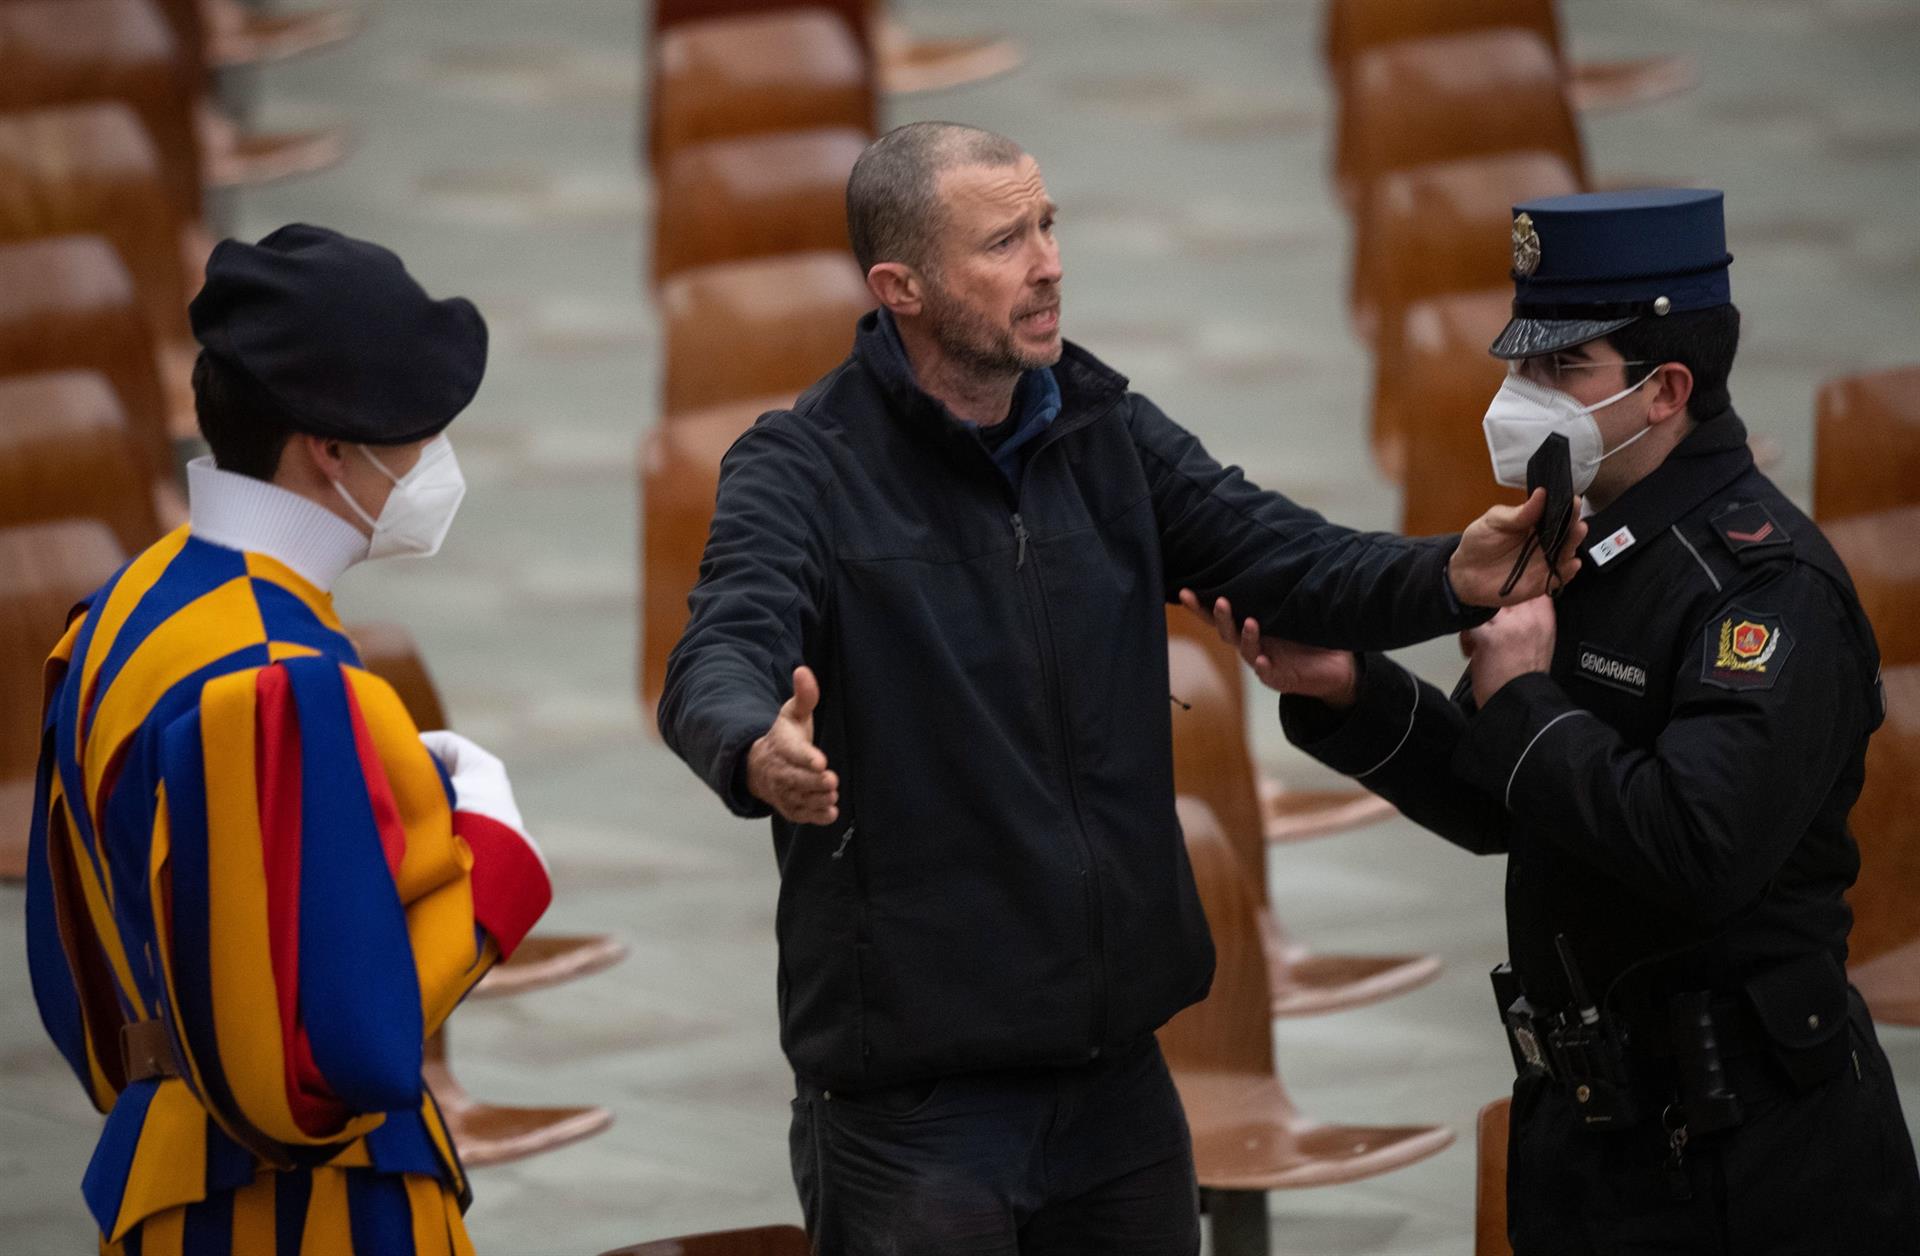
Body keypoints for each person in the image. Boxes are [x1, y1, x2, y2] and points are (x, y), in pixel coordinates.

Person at [658, 121, 1580, 1254]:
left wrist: (1449, 573)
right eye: (1004, 240)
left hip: (1118, 1092)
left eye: (1048, 225)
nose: (1048, 261)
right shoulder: (803, 466)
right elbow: (719, 647)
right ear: (900, 286)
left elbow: (1287, 556)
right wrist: (756, 745)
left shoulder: (1100, 427)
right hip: (918, 1121)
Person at [1194, 188, 1920, 1254]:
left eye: (1559, 370)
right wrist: (1349, 688)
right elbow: (1509, 800)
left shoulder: (1763, 590)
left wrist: (1528, 697)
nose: (1519, 395)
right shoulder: (1584, 536)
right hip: (1592, 1124)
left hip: (1749, 1150)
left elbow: (1698, 845)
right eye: (1521, 364)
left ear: (1664, 387)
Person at [24, 224, 552, 1255]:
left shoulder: (120, 607)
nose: (434, 458)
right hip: (305, 1215)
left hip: (160, 1182)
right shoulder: (288, 678)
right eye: (419, 430)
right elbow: (325, 1071)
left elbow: (70, 967)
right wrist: (493, 859)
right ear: (330, 449)